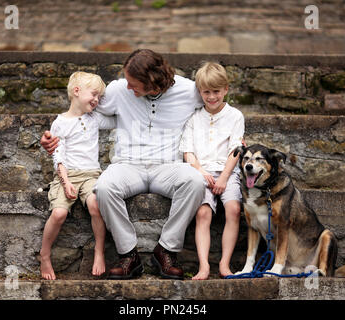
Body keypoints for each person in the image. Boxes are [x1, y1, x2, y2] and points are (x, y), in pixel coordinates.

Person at [41, 49, 206, 280]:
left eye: (133, 83)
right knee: (104, 188)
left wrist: (233, 138)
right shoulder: (119, 89)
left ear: (153, 83)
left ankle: (166, 250)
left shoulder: (188, 91)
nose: (127, 86)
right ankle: (128, 254)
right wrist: (52, 139)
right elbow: (79, 112)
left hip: (168, 165)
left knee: (196, 182)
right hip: (128, 164)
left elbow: (215, 108)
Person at [40, 71, 116, 280]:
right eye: (93, 94)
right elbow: (58, 157)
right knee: (59, 214)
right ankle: (45, 254)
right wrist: (65, 184)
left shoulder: (95, 118)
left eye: (99, 97)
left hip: (91, 175)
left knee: (96, 205)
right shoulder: (60, 123)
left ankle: (99, 252)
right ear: (76, 91)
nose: (97, 100)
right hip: (67, 175)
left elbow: (117, 119)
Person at [179, 62, 245, 280]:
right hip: (201, 173)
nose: (212, 96)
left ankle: (224, 264)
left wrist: (224, 177)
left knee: (233, 209)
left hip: (228, 172)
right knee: (203, 213)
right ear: (200, 92)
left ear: (226, 89)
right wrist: (200, 171)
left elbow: (236, 150)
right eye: (206, 92)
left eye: (216, 91)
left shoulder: (235, 116)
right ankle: (204, 266)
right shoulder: (193, 118)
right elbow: (188, 152)